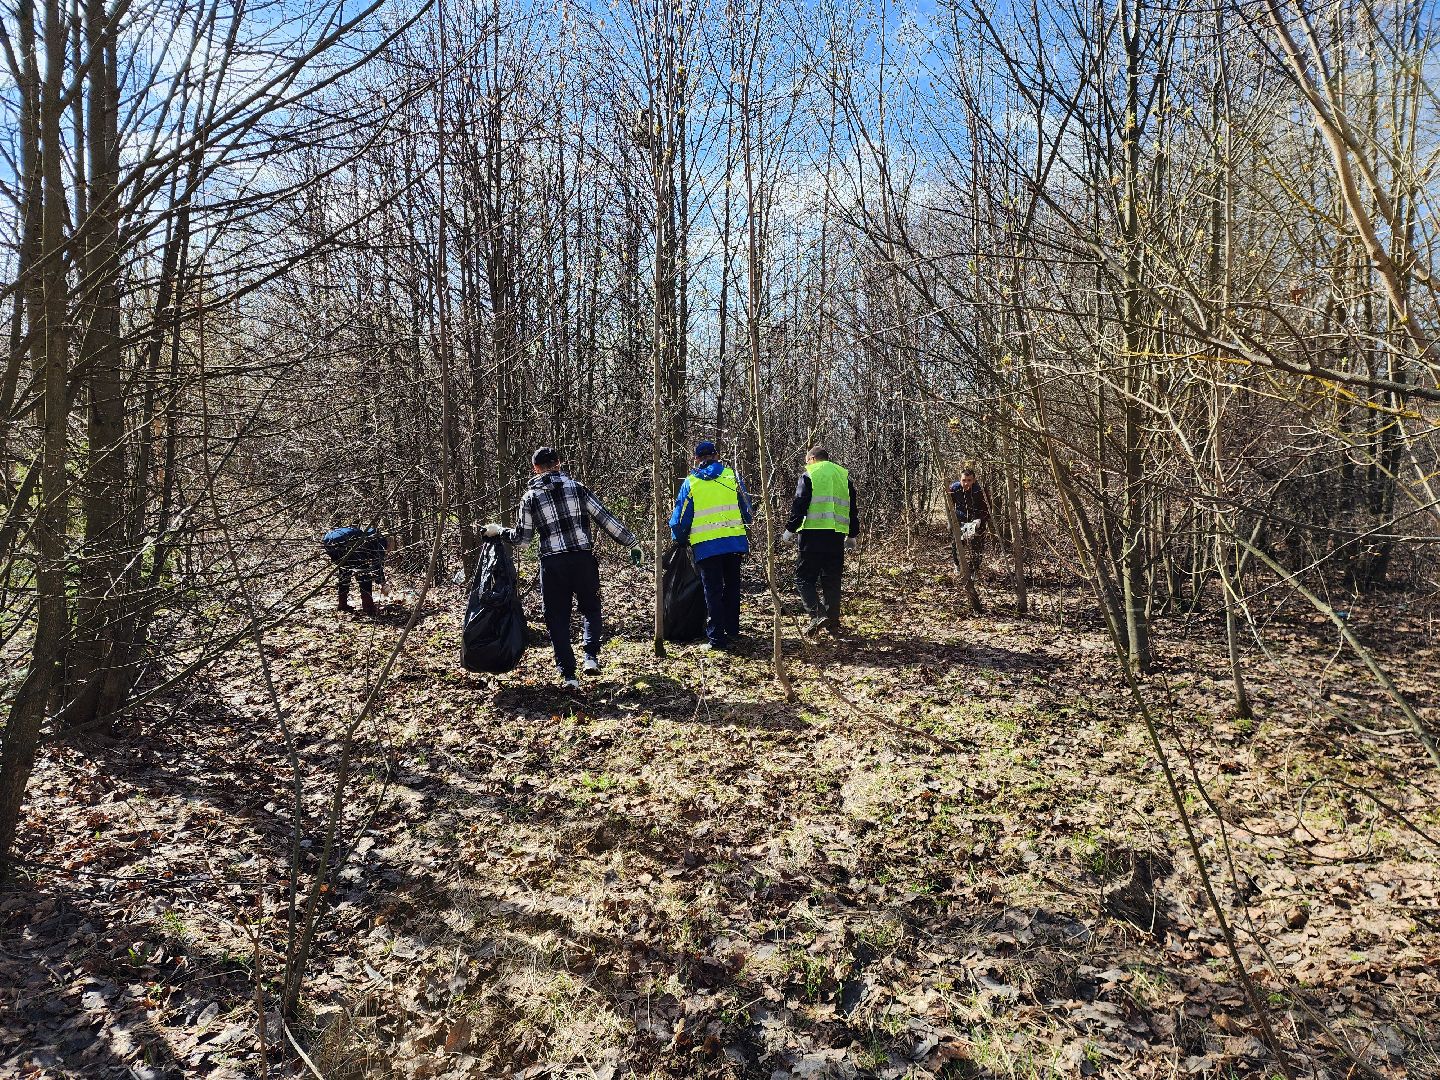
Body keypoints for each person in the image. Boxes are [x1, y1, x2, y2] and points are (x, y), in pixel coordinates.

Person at [482, 448, 641, 689]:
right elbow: (605, 518)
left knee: (557, 618)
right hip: (583, 559)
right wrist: (631, 543)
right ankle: (590, 657)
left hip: (553, 564)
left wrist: (499, 531)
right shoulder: (578, 488)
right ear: (559, 463)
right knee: (591, 608)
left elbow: (523, 540)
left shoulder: (530, 497)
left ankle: (569, 675)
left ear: (535, 468)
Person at [669, 440, 753, 652]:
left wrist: (679, 539)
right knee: (732, 587)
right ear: (716, 456)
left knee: (712, 591)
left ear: (697, 459)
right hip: (734, 543)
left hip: (707, 547)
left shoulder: (691, 483)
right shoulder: (732, 477)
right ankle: (732, 630)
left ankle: (716, 638)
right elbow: (747, 512)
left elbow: (679, 521)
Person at [781, 445, 859, 640]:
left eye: (807, 461)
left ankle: (817, 615)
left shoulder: (810, 474)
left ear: (813, 459)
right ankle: (832, 623)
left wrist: (789, 530)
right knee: (831, 579)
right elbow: (852, 507)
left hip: (812, 535)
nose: (806, 464)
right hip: (835, 535)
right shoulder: (843, 476)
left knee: (803, 578)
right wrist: (852, 534)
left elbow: (800, 503)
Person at [948, 466, 991, 611]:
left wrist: (979, 520)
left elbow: (987, 508)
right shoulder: (954, 488)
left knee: (977, 546)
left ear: (974, 480)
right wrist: (952, 521)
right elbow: (950, 505)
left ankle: (974, 571)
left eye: (969, 480)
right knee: (956, 543)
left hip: (975, 521)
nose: (966, 483)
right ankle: (957, 565)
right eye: (963, 480)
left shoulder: (979, 491)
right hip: (959, 520)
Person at [323, 524, 389, 616]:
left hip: (328, 540)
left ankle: (342, 604)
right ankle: (369, 607)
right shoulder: (380, 541)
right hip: (345, 542)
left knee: (345, 571)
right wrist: (382, 583)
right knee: (364, 573)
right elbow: (376, 565)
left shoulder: (369, 531)